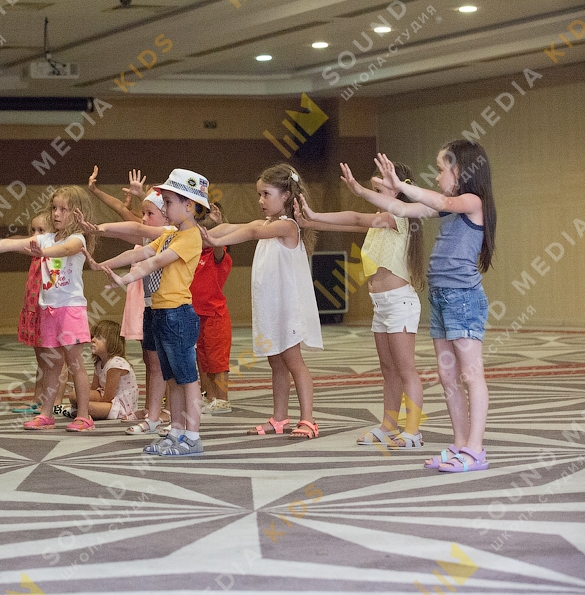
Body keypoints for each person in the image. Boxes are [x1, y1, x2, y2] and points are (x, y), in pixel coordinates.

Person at [368, 145, 496, 472]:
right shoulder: (447, 208)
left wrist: (401, 184)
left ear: (462, 171)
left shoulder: (471, 202)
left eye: (441, 170)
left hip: (463, 299)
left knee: (471, 374)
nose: (437, 177)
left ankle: (476, 450)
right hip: (440, 298)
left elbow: (441, 201)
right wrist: (360, 190)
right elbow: (403, 208)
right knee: (447, 375)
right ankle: (460, 444)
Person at [299, 163, 425, 448]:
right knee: (388, 369)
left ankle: (413, 431)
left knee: (406, 370)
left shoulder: (400, 216)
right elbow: (352, 222)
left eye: (379, 189)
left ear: (398, 189)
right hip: (381, 304)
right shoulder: (381, 220)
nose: (373, 195)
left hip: (400, 303)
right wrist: (311, 221)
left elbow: (356, 216)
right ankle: (388, 426)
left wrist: (317, 214)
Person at [91, 169, 209, 455]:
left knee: (187, 378)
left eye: (168, 202)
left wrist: (125, 279)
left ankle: (193, 436)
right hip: (160, 312)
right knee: (172, 378)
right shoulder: (170, 234)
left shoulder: (190, 236)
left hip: (178, 314)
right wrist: (104, 264)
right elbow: (139, 253)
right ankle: (176, 431)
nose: (164, 208)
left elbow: (155, 262)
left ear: (189, 205)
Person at [201, 163, 322, 439]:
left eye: (266, 194)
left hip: (288, 310)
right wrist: (206, 230)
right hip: (270, 309)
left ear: (286, 196)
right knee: (276, 363)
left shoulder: (288, 227)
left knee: (293, 361)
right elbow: (235, 226)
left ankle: (308, 419)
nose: (260, 200)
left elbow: (252, 232)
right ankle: (279, 418)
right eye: (259, 194)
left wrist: (215, 242)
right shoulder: (268, 224)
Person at [0, 186, 96, 432]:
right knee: (52, 365)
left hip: (70, 309)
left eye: (64, 209)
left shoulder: (78, 239)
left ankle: (84, 416)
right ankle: (46, 414)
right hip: (48, 310)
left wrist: (43, 252)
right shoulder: (46, 238)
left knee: (75, 363)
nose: (56, 213)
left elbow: (67, 250)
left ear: (78, 213)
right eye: (54, 208)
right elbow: (11, 244)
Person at [79, 187, 172, 434]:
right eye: (143, 213)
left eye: (149, 214)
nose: (143, 219)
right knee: (151, 360)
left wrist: (99, 228)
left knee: (168, 362)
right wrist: (101, 263)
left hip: (170, 308)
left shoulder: (171, 235)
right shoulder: (153, 239)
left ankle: (170, 410)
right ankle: (152, 409)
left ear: (166, 215)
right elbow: (133, 247)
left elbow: (132, 228)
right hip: (151, 306)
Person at [194, 203, 233, 415]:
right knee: (203, 360)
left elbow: (219, 246)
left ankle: (222, 398)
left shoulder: (218, 256)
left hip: (215, 316)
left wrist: (219, 227)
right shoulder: (195, 256)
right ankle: (209, 395)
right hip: (196, 316)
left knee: (218, 361)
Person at [69, 320, 138, 420]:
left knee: (86, 408)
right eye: (93, 336)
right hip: (105, 398)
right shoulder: (99, 363)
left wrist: (88, 405)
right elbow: (93, 389)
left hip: (120, 405)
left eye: (99, 337)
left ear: (112, 342)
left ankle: (74, 411)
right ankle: (78, 410)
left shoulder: (116, 363)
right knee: (75, 395)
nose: (93, 340)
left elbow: (109, 397)